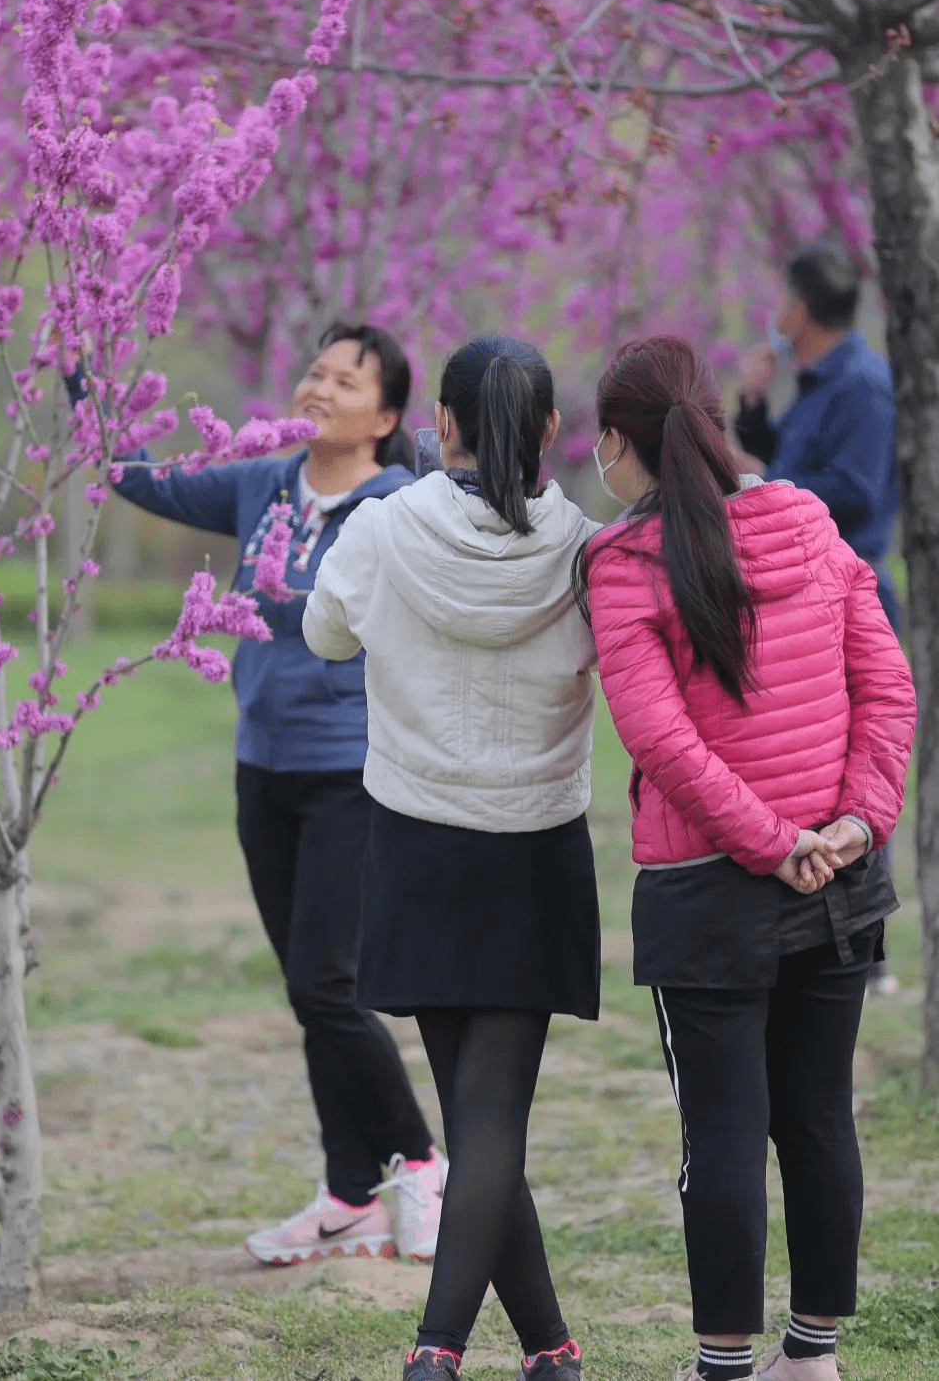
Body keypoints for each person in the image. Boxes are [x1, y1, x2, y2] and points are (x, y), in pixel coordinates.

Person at [575, 337, 916, 1381]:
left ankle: (724, 1364)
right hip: (838, 881)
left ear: (614, 447)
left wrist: (774, 845)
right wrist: (855, 825)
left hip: (709, 893)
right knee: (816, 1118)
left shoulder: (622, 562)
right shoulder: (808, 520)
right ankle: (810, 1358)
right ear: (718, 420)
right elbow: (889, 686)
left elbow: (659, 740)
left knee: (721, 1133)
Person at [79, 322, 447, 1265]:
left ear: (387, 416)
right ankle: (346, 1194)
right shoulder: (260, 483)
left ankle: (416, 1158)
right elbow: (140, 477)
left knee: (329, 984)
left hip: (348, 773)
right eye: (313, 371)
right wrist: (85, 378)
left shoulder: (401, 504)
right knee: (307, 989)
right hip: (263, 770)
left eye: (344, 381)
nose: (318, 389)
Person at [304, 336, 601, 1381]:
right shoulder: (584, 552)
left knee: (481, 1122)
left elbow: (326, 637)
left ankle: (444, 1353)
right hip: (534, 851)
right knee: (491, 1123)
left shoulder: (385, 528)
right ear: (553, 434)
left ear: (440, 424)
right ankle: (542, 1355)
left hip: (419, 843)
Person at [735, 240, 900, 631]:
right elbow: (788, 456)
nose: (774, 314)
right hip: (816, 593)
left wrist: (768, 481)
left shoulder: (863, 386)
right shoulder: (821, 381)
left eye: (780, 300)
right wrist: (752, 404)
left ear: (798, 310)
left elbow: (858, 494)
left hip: (853, 599)